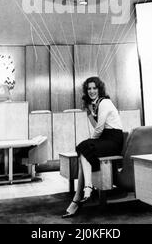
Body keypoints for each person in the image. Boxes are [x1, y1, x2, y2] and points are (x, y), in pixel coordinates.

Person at [62, 76, 123, 218]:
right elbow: (97, 127)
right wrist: (89, 114)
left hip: (114, 140)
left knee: (84, 147)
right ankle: (83, 193)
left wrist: (88, 143)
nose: (91, 91)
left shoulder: (105, 102)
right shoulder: (95, 105)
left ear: (99, 89)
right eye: (89, 88)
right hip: (105, 139)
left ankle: (82, 194)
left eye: (94, 88)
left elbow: (99, 129)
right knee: (84, 150)